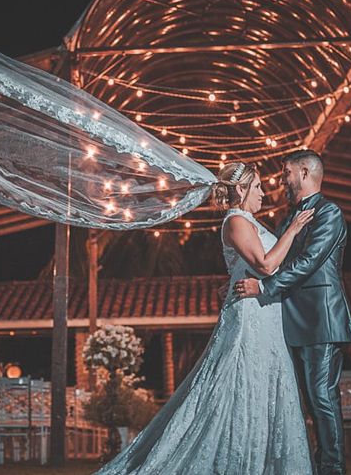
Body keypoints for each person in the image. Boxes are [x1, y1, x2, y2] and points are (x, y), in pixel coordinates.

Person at [95, 162, 314, 474]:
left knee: (266, 386)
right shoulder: (236, 221)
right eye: (257, 188)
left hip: (266, 314)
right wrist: (292, 230)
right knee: (239, 387)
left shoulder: (249, 221)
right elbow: (265, 265)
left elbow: (253, 266)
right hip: (249, 319)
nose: (264, 194)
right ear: (241, 190)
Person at [234, 150, 351, 475]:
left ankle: (332, 468)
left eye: (286, 172)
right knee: (304, 402)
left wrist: (264, 288)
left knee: (322, 397)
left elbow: (307, 262)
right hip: (290, 320)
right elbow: (274, 258)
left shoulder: (329, 213)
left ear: (304, 173)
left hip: (321, 319)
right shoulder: (288, 218)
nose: (282, 179)